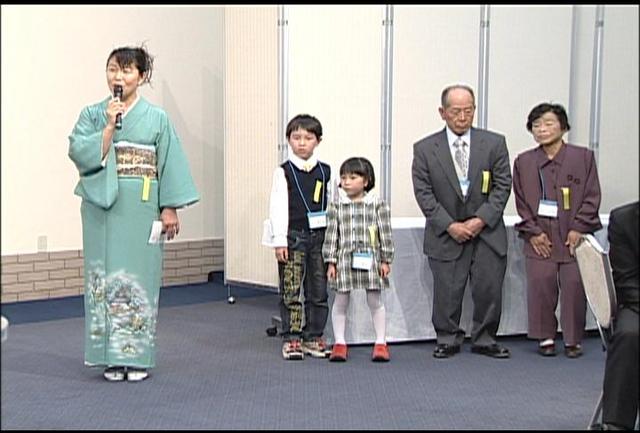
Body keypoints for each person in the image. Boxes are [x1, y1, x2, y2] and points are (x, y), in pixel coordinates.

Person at [68, 45, 199, 382]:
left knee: (140, 278)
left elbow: (169, 162)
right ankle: (109, 357)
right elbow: (79, 151)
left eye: (127, 70)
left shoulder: (157, 118)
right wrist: (108, 128)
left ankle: (137, 357)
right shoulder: (93, 113)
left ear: (141, 76)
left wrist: (169, 206)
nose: (119, 76)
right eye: (113, 69)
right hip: (102, 206)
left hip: (142, 204)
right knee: (103, 275)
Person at [411, 84, 512, 359]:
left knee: (489, 287)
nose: (462, 116)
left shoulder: (494, 143)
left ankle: (485, 337)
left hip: (487, 232)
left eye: (469, 110)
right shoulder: (424, 148)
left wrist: (480, 220)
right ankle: (447, 337)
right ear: (442, 112)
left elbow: (503, 186)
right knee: (447, 290)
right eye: (456, 111)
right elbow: (424, 193)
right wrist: (450, 225)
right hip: (447, 232)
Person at [513, 103, 602, 358]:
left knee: (574, 286)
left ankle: (573, 339)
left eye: (549, 123)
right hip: (540, 236)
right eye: (537, 125)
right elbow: (521, 202)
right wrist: (534, 232)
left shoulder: (583, 157)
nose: (542, 130)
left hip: (574, 236)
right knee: (541, 284)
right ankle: (546, 337)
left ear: (563, 127)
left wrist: (578, 228)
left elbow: (592, 196)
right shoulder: (524, 162)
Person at [266, 114, 332, 360]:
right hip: (293, 237)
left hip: (320, 238)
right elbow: (278, 206)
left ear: (318, 141)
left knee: (318, 289)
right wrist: (279, 239)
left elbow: (331, 205)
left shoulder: (325, 172)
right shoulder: (283, 172)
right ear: (288, 140)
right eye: (296, 137)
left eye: (308, 138)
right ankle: (292, 337)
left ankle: (313, 335)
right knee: (291, 289)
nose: (302, 143)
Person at [322, 157, 395, 362]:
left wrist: (385, 259)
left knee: (374, 299)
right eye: (343, 177)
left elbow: (385, 233)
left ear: (366, 180)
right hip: (345, 259)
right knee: (341, 300)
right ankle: (340, 343)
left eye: (353, 177)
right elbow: (331, 235)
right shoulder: (337, 206)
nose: (346, 182)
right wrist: (331, 261)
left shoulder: (377, 205)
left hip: (371, 258)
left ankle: (381, 342)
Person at [600, 201, 639, 430]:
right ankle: (616, 423)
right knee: (629, 335)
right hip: (636, 303)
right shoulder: (624, 220)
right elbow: (626, 282)